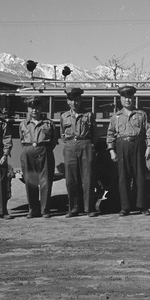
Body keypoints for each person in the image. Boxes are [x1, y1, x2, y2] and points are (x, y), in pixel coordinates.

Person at [107, 85, 150, 216]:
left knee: (140, 176)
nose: (127, 100)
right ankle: (125, 207)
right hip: (122, 146)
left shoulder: (141, 115)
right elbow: (110, 135)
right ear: (120, 99)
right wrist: (112, 151)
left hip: (138, 145)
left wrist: (149, 147)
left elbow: (149, 132)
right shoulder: (116, 117)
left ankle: (142, 205)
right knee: (123, 177)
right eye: (124, 97)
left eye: (129, 97)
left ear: (133, 98)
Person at [60, 87, 98, 218]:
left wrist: (90, 145)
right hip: (70, 146)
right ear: (67, 102)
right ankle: (74, 208)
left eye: (76, 100)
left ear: (80, 100)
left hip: (85, 144)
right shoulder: (64, 116)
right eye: (71, 100)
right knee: (71, 179)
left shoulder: (89, 115)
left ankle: (89, 208)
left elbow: (94, 134)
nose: (74, 103)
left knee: (88, 178)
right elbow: (62, 134)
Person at [19, 96, 58, 218]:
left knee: (45, 181)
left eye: (36, 107)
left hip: (44, 151)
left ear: (41, 108)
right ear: (28, 109)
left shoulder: (49, 123)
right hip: (28, 151)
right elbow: (21, 139)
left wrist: (44, 148)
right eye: (31, 107)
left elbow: (53, 140)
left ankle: (45, 210)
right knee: (30, 181)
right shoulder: (23, 124)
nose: (34, 110)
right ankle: (33, 209)